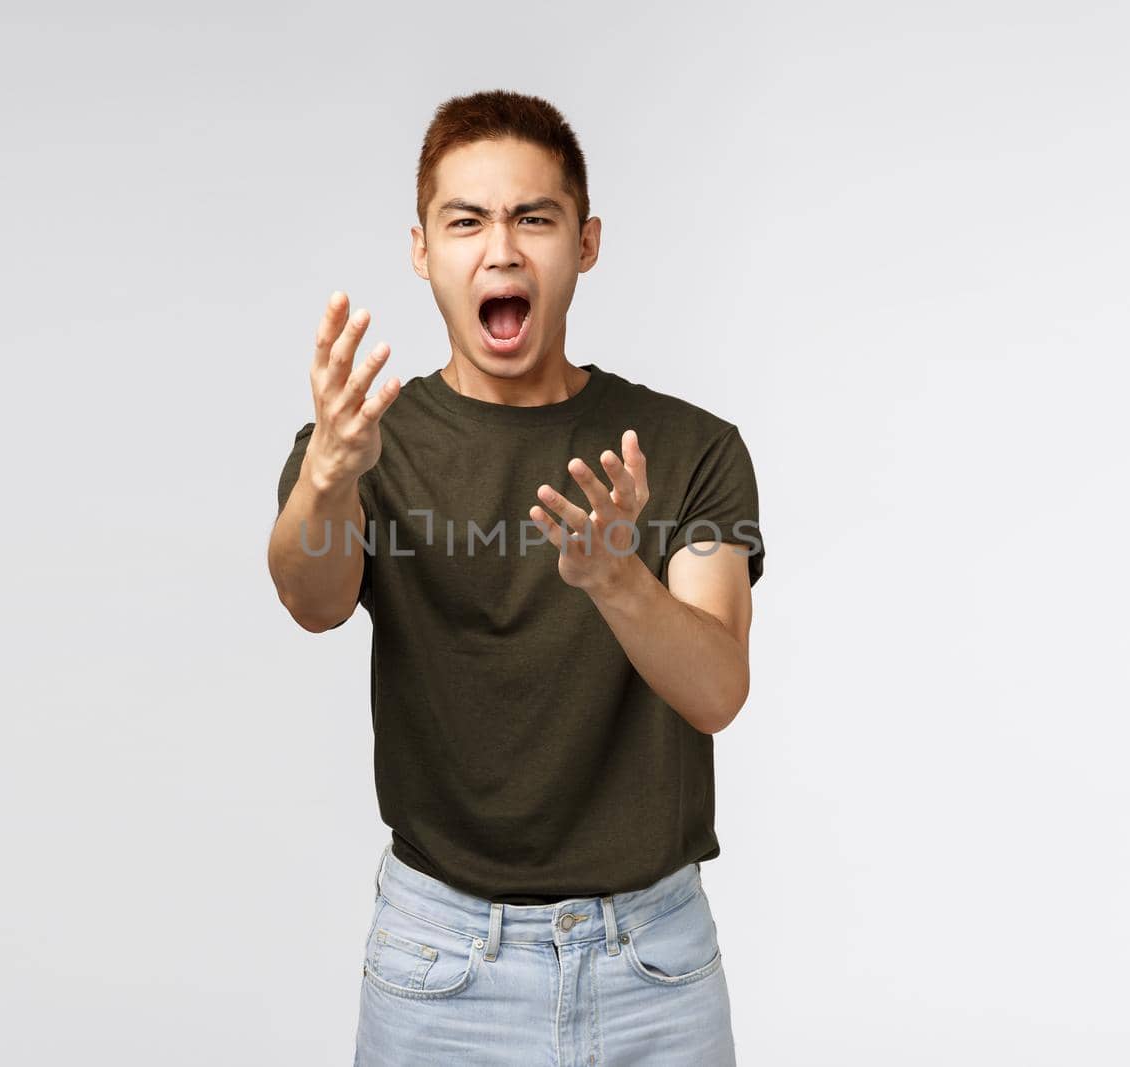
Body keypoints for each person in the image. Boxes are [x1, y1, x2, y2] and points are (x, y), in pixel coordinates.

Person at [268, 89, 763, 1066]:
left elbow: (717, 690)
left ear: (584, 243)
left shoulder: (690, 447)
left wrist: (617, 578)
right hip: (440, 962)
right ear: (422, 249)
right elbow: (309, 600)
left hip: (653, 964)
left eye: (533, 218)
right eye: (466, 221)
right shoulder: (363, 447)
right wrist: (327, 474)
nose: (501, 249)